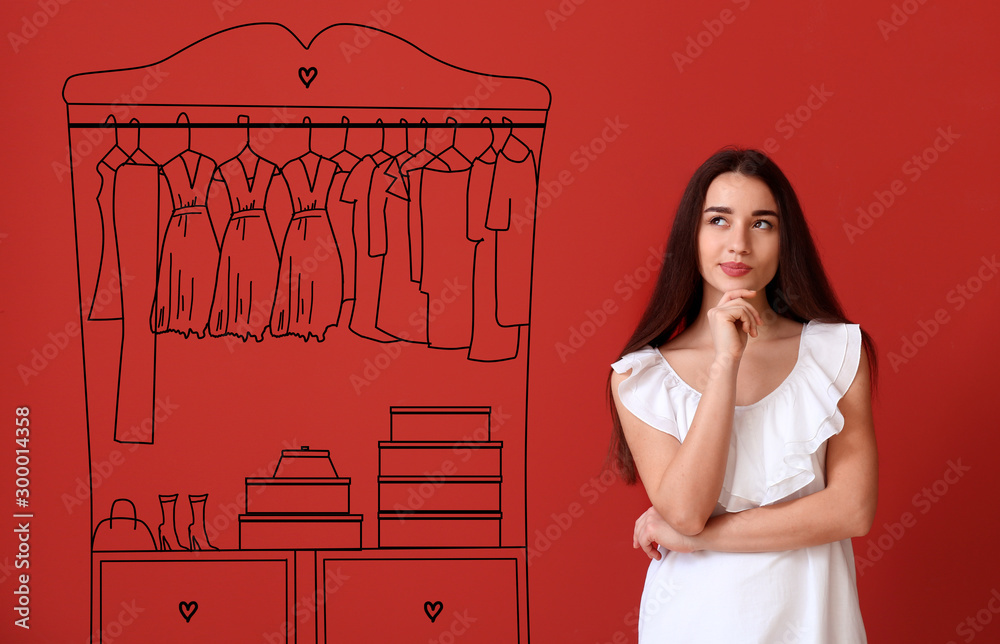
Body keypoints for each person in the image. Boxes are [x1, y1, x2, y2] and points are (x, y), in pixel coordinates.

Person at [607, 147, 878, 643]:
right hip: (695, 622)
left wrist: (699, 537)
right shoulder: (641, 377)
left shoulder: (837, 352)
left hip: (816, 624)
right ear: (692, 235)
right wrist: (725, 364)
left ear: (783, 240)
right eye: (719, 220)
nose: (738, 245)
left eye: (762, 224)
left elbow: (851, 510)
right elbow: (686, 510)